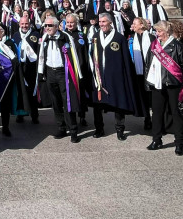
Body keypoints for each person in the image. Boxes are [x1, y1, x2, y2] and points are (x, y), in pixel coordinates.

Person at [88, 12, 144, 140]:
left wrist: (127, 76)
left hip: (116, 76)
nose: (101, 24)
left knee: (118, 103)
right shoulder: (95, 37)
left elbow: (126, 59)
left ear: (110, 22)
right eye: (100, 22)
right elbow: (91, 56)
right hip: (99, 76)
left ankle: (120, 129)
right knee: (98, 103)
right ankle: (99, 129)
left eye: (104, 21)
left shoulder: (119, 38)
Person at [144, 21, 183, 156]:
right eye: (156, 31)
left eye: (159, 31)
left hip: (173, 84)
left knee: (177, 114)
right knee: (157, 113)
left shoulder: (177, 46)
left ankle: (179, 143)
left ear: (166, 31)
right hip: (157, 84)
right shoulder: (154, 45)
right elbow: (148, 64)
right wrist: (148, 82)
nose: (157, 34)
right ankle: (156, 139)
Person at [37, 15, 84, 144]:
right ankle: (61, 127)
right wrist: (41, 72)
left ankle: (73, 130)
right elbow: (41, 55)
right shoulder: (45, 37)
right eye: (45, 25)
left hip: (63, 73)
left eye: (50, 25)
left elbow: (73, 55)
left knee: (67, 101)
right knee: (55, 102)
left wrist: (77, 74)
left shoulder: (65, 37)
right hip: (50, 72)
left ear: (57, 26)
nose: (47, 28)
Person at [0, 23, 22, 137]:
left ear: (3, 31)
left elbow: (15, 59)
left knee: (5, 105)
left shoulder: (10, 43)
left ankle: (5, 127)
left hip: (7, 79)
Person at [64, 12, 91, 128]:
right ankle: (70, 118)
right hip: (67, 71)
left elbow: (85, 53)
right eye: (68, 22)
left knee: (81, 94)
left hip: (80, 70)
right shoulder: (62, 36)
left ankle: (82, 116)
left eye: (72, 22)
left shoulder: (82, 36)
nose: (70, 25)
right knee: (70, 95)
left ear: (76, 23)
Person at [13, 16, 41, 124]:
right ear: (19, 24)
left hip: (31, 68)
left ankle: (34, 115)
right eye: (22, 24)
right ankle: (21, 114)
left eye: (26, 24)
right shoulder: (15, 35)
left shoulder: (36, 35)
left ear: (29, 24)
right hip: (20, 67)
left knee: (32, 91)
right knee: (20, 91)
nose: (24, 26)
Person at [129, 17, 153, 130]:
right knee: (143, 97)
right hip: (139, 72)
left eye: (135, 23)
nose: (133, 25)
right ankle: (147, 118)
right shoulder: (132, 39)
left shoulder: (151, 38)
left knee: (152, 97)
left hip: (151, 72)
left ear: (142, 25)